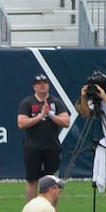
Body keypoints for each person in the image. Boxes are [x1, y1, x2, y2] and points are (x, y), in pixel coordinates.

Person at [16, 73, 70, 201]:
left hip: (52, 147)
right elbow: (21, 123)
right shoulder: (27, 102)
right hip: (33, 147)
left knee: (52, 181)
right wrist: (40, 116)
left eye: (44, 83)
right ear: (34, 86)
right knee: (32, 180)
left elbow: (66, 122)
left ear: (48, 85)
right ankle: (31, 210)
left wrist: (50, 115)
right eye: (39, 83)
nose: (42, 85)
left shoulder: (56, 102)